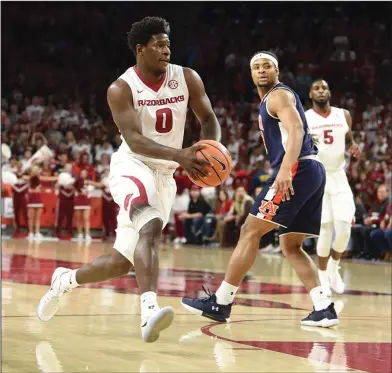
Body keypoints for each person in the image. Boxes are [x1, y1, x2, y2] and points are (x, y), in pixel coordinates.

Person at [37, 16, 221, 343]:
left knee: (119, 263)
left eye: (168, 45)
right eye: (159, 45)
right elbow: (134, 139)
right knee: (149, 224)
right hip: (132, 165)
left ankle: (65, 280)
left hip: (165, 175)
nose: (167, 50)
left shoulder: (187, 78)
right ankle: (148, 311)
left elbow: (208, 118)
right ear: (141, 49)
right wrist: (182, 155)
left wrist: (210, 151)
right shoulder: (120, 88)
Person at [181, 51, 339, 328]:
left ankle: (222, 301)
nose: (262, 70)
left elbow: (298, 129)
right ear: (251, 74)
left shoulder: (279, 95)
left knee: (249, 231)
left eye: (268, 66)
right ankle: (324, 307)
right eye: (257, 67)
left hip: (298, 169)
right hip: (312, 171)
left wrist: (285, 170)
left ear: (277, 72)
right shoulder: (269, 101)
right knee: (291, 245)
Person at [305, 79, 361, 296]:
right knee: (325, 227)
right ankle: (322, 275)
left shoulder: (343, 114)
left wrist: (353, 146)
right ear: (311, 94)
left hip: (338, 175)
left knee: (344, 224)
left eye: (325, 88)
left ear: (329, 92)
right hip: (317, 176)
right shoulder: (306, 118)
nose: (321, 91)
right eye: (317, 88)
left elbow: (348, 139)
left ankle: (333, 266)